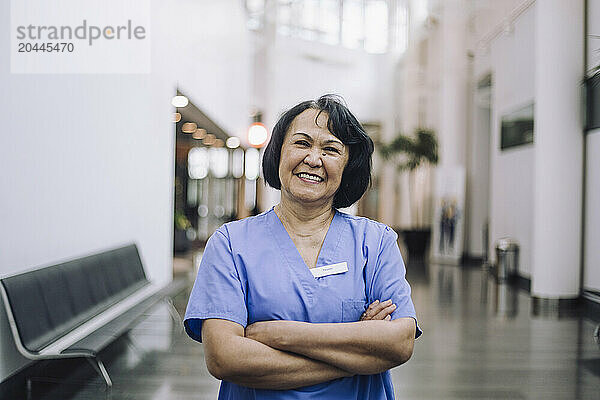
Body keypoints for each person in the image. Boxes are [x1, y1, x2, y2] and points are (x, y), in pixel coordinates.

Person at [184, 94, 422, 399]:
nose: (313, 159)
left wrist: (280, 334)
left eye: (331, 149)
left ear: (348, 165)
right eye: (301, 143)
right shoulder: (231, 244)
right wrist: (360, 354)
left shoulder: (376, 243)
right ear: (279, 152)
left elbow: (399, 343)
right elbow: (225, 357)